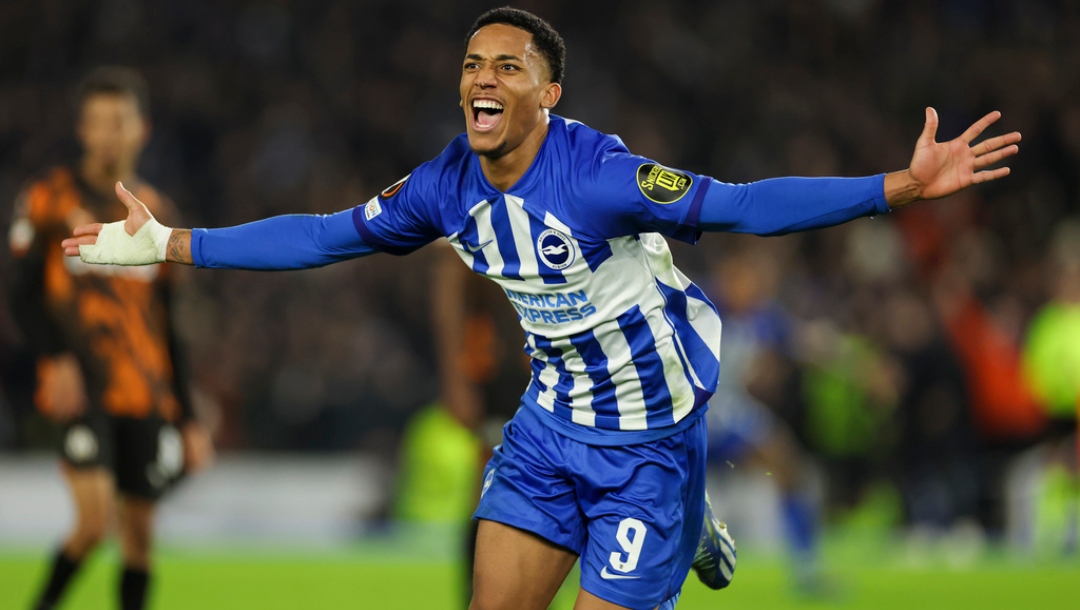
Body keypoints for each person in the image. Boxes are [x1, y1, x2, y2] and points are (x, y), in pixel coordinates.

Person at [62, 8, 1018, 609]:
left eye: (508, 66)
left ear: (548, 94)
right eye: (474, 63)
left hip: (651, 437)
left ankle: (683, 518)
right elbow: (324, 233)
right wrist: (170, 245)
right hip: (549, 428)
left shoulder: (601, 176)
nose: (482, 77)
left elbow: (741, 203)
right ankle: (690, 525)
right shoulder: (445, 184)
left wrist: (895, 186)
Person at [9, 66, 214, 610]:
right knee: (95, 521)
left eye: (117, 122)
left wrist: (189, 418)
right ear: (81, 130)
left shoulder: (157, 214)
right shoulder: (49, 198)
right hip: (85, 387)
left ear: (140, 130)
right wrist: (55, 358)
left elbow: (170, 322)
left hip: (145, 393)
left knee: (141, 539)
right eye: (97, 123)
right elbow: (20, 294)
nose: (107, 134)